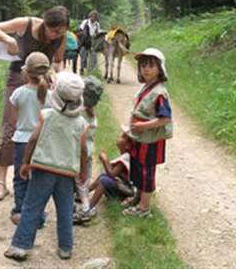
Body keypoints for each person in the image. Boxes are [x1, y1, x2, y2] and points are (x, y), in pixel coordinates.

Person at [0, 6, 69, 201]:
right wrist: (8, 40)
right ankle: (0, 181)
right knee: (10, 126)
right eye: (54, 31)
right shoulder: (27, 24)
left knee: (40, 128)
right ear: (46, 23)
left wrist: (58, 75)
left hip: (43, 85)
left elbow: (58, 61)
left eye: (61, 32)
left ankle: (34, 176)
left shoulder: (61, 37)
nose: (55, 36)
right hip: (17, 80)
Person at [4, 72, 89, 262]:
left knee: (32, 207)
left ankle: (20, 246)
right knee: (66, 210)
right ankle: (66, 247)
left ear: (56, 95)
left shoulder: (46, 115)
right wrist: (82, 171)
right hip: (67, 174)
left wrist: (26, 162)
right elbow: (84, 151)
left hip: (43, 169)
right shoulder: (81, 124)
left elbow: (32, 139)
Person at [121, 48, 173, 217]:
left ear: (160, 69)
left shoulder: (159, 93)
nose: (146, 69)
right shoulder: (147, 87)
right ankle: (138, 196)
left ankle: (144, 208)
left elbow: (165, 118)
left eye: (151, 66)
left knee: (147, 172)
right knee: (136, 168)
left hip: (150, 140)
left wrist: (144, 126)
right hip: (140, 138)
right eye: (143, 66)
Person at [8, 52, 52, 225]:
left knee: (21, 176)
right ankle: (38, 214)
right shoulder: (50, 95)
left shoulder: (18, 93)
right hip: (42, 141)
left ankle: (20, 210)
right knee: (39, 178)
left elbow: (13, 120)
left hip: (21, 140)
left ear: (25, 72)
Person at [74, 132, 135, 224]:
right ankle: (84, 194)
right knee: (103, 176)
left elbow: (111, 174)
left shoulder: (126, 158)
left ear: (127, 146)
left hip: (125, 193)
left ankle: (88, 210)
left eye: (123, 137)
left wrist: (104, 159)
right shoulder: (125, 156)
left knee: (104, 180)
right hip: (121, 188)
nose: (119, 136)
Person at [73, 76, 103, 220]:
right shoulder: (91, 114)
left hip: (77, 153)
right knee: (84, 180)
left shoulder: (77, 112)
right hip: (88, 153)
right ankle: (83, 202)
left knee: (77, 180)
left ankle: (85, 208)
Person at [79, 10, 100, 74]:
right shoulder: (85, 22)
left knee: (94, 56)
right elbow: (81, 30)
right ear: (90, 16)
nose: (93, 18)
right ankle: (82, 68)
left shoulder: (97, 24)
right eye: (92, 16)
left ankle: (90, 70)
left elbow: (97, 33)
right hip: (85, 40)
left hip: (93, 40)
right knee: (83, 55)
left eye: (95, 17)